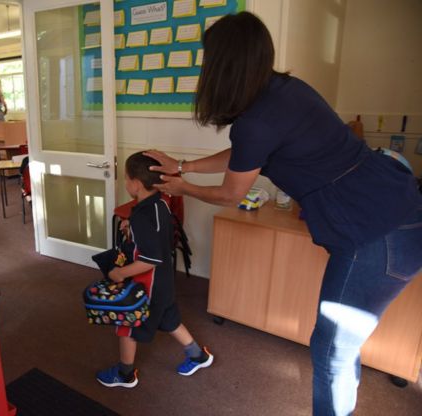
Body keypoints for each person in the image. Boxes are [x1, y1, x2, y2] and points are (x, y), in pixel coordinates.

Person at [144, 12, 422, 415]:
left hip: (377, 232)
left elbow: (230, 193)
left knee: (331, 352)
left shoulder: (257, 119)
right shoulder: (283, 91)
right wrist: (184, 165)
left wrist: (182, 187)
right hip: (391, 209)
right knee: (339, 349)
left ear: (223, 65)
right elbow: (247, 155)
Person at [95, 152, 213, 388]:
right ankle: (197, 355)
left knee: (127, 325)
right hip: (165, 282)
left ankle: (125, 374)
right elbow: (157, 240)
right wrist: (134, 231)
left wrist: (120, 273)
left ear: (136, 184)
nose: (126, 183)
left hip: (147, 285)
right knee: (169, 319)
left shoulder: (140, 216)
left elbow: (151, 259)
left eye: (126, 179)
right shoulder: (161, 203)